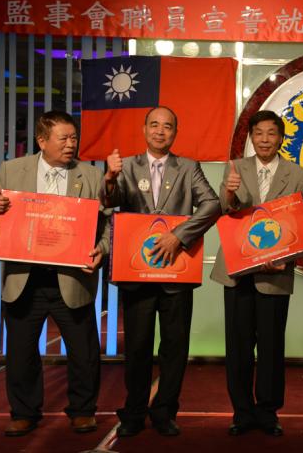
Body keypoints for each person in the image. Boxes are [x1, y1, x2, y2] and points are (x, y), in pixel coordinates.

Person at [0, 111, 109, 437]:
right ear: (42, 140)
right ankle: (23, 412)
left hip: (72, 279)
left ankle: (82, 411)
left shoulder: (91, 175)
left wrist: (103, 249)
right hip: (25, 279)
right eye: (63, 138)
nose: (71, 144)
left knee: (84, 352)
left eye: (74, 138)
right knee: (21, 353)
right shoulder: (12, 170)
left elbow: (107, 223)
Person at [102, 106, 221, 437]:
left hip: (175, 273)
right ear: (144, 129)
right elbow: (110, 202)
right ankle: (133, 413)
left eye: (167, 126)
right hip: (136, 273)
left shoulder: (188, 167)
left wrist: (178, 236)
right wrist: (109, 179)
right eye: (154, 125)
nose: (160, 131)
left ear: (175, 133)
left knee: (174, 347)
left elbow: (212, 204)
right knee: (137, 347)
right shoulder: (125, 166)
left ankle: (165, 412)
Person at [210, 110, 303, 437]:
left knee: (271, 347)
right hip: (238, 272)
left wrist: (284, 257)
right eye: (259, 133)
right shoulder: (235, 168)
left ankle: (268, 412)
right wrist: (229, 192)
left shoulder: (298, 174)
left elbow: (300, 222)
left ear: (281, 138)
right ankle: (241, 412)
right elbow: (225, 210)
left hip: (275, 273)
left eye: (271, 133)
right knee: (238, 347)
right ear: (251, 137)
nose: (265, 139)